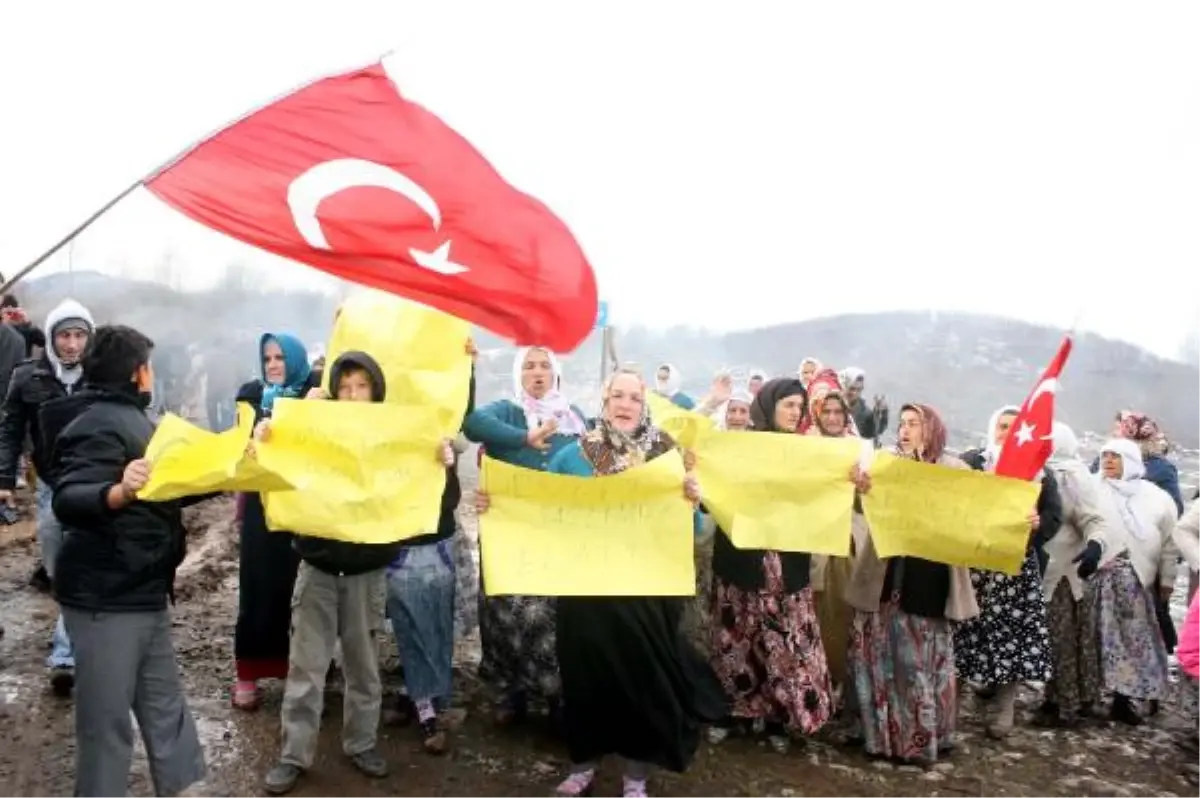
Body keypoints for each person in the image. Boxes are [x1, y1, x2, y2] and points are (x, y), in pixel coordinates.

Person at [478, 367, 725, 797]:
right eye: (617, 396)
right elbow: (540, 506)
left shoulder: (665, 457)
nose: (625, 404)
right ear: (604, 402)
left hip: (645, 593)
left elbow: (697, 531)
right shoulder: (574, 456)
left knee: (640, 686)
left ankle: (635, 779)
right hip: (585, 590)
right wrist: (495, 502)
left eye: (633, 396)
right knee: (584, 680)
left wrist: (690, 502)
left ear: (644, 401)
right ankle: (582, 766)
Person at [46, 324, 218, 797]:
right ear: (138, 372)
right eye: (150, 367)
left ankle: (184, 787)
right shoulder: (94, 423)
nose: (152, 376)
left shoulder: (141, 423)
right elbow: (70, 498)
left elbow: (173, 483)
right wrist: (118, 491)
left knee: (166, 707)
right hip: (104, 601)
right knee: (106, 724)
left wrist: (237, 465)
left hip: (144, 592)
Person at [261, 351, 419, 793]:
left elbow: (426, 488)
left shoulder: (393, 441)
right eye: (344, 387)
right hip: (317, 569)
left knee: (364, 668)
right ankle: (294, 753)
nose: (352, 395)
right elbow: (273, 452)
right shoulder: (315, 432)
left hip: (368, 573)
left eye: (361, 387)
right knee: (306, 669)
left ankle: (361, 743)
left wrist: (440, 457)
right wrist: (276, 428)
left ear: (376, 392)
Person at [0, 298, 94, 695]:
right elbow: (10, 429)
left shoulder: (100, 377)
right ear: (52, 338)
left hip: (92, 484)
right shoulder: (29, 377)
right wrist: (4, 477)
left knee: (79, 568)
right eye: (65, 336)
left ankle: (65, 654)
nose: (72, 345)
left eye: (79, 336)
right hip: (50, 485)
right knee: (57, 568)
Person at [232, 332, 318, 710]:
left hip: (306, 505)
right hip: (262, 506)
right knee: (258, 586)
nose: (273, 365)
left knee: (303, 591)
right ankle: (248, 672)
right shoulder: (252, 395)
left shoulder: (316, 392)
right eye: (267, 358)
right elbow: (242, 442)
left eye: (281, 357)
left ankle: (302, 672)